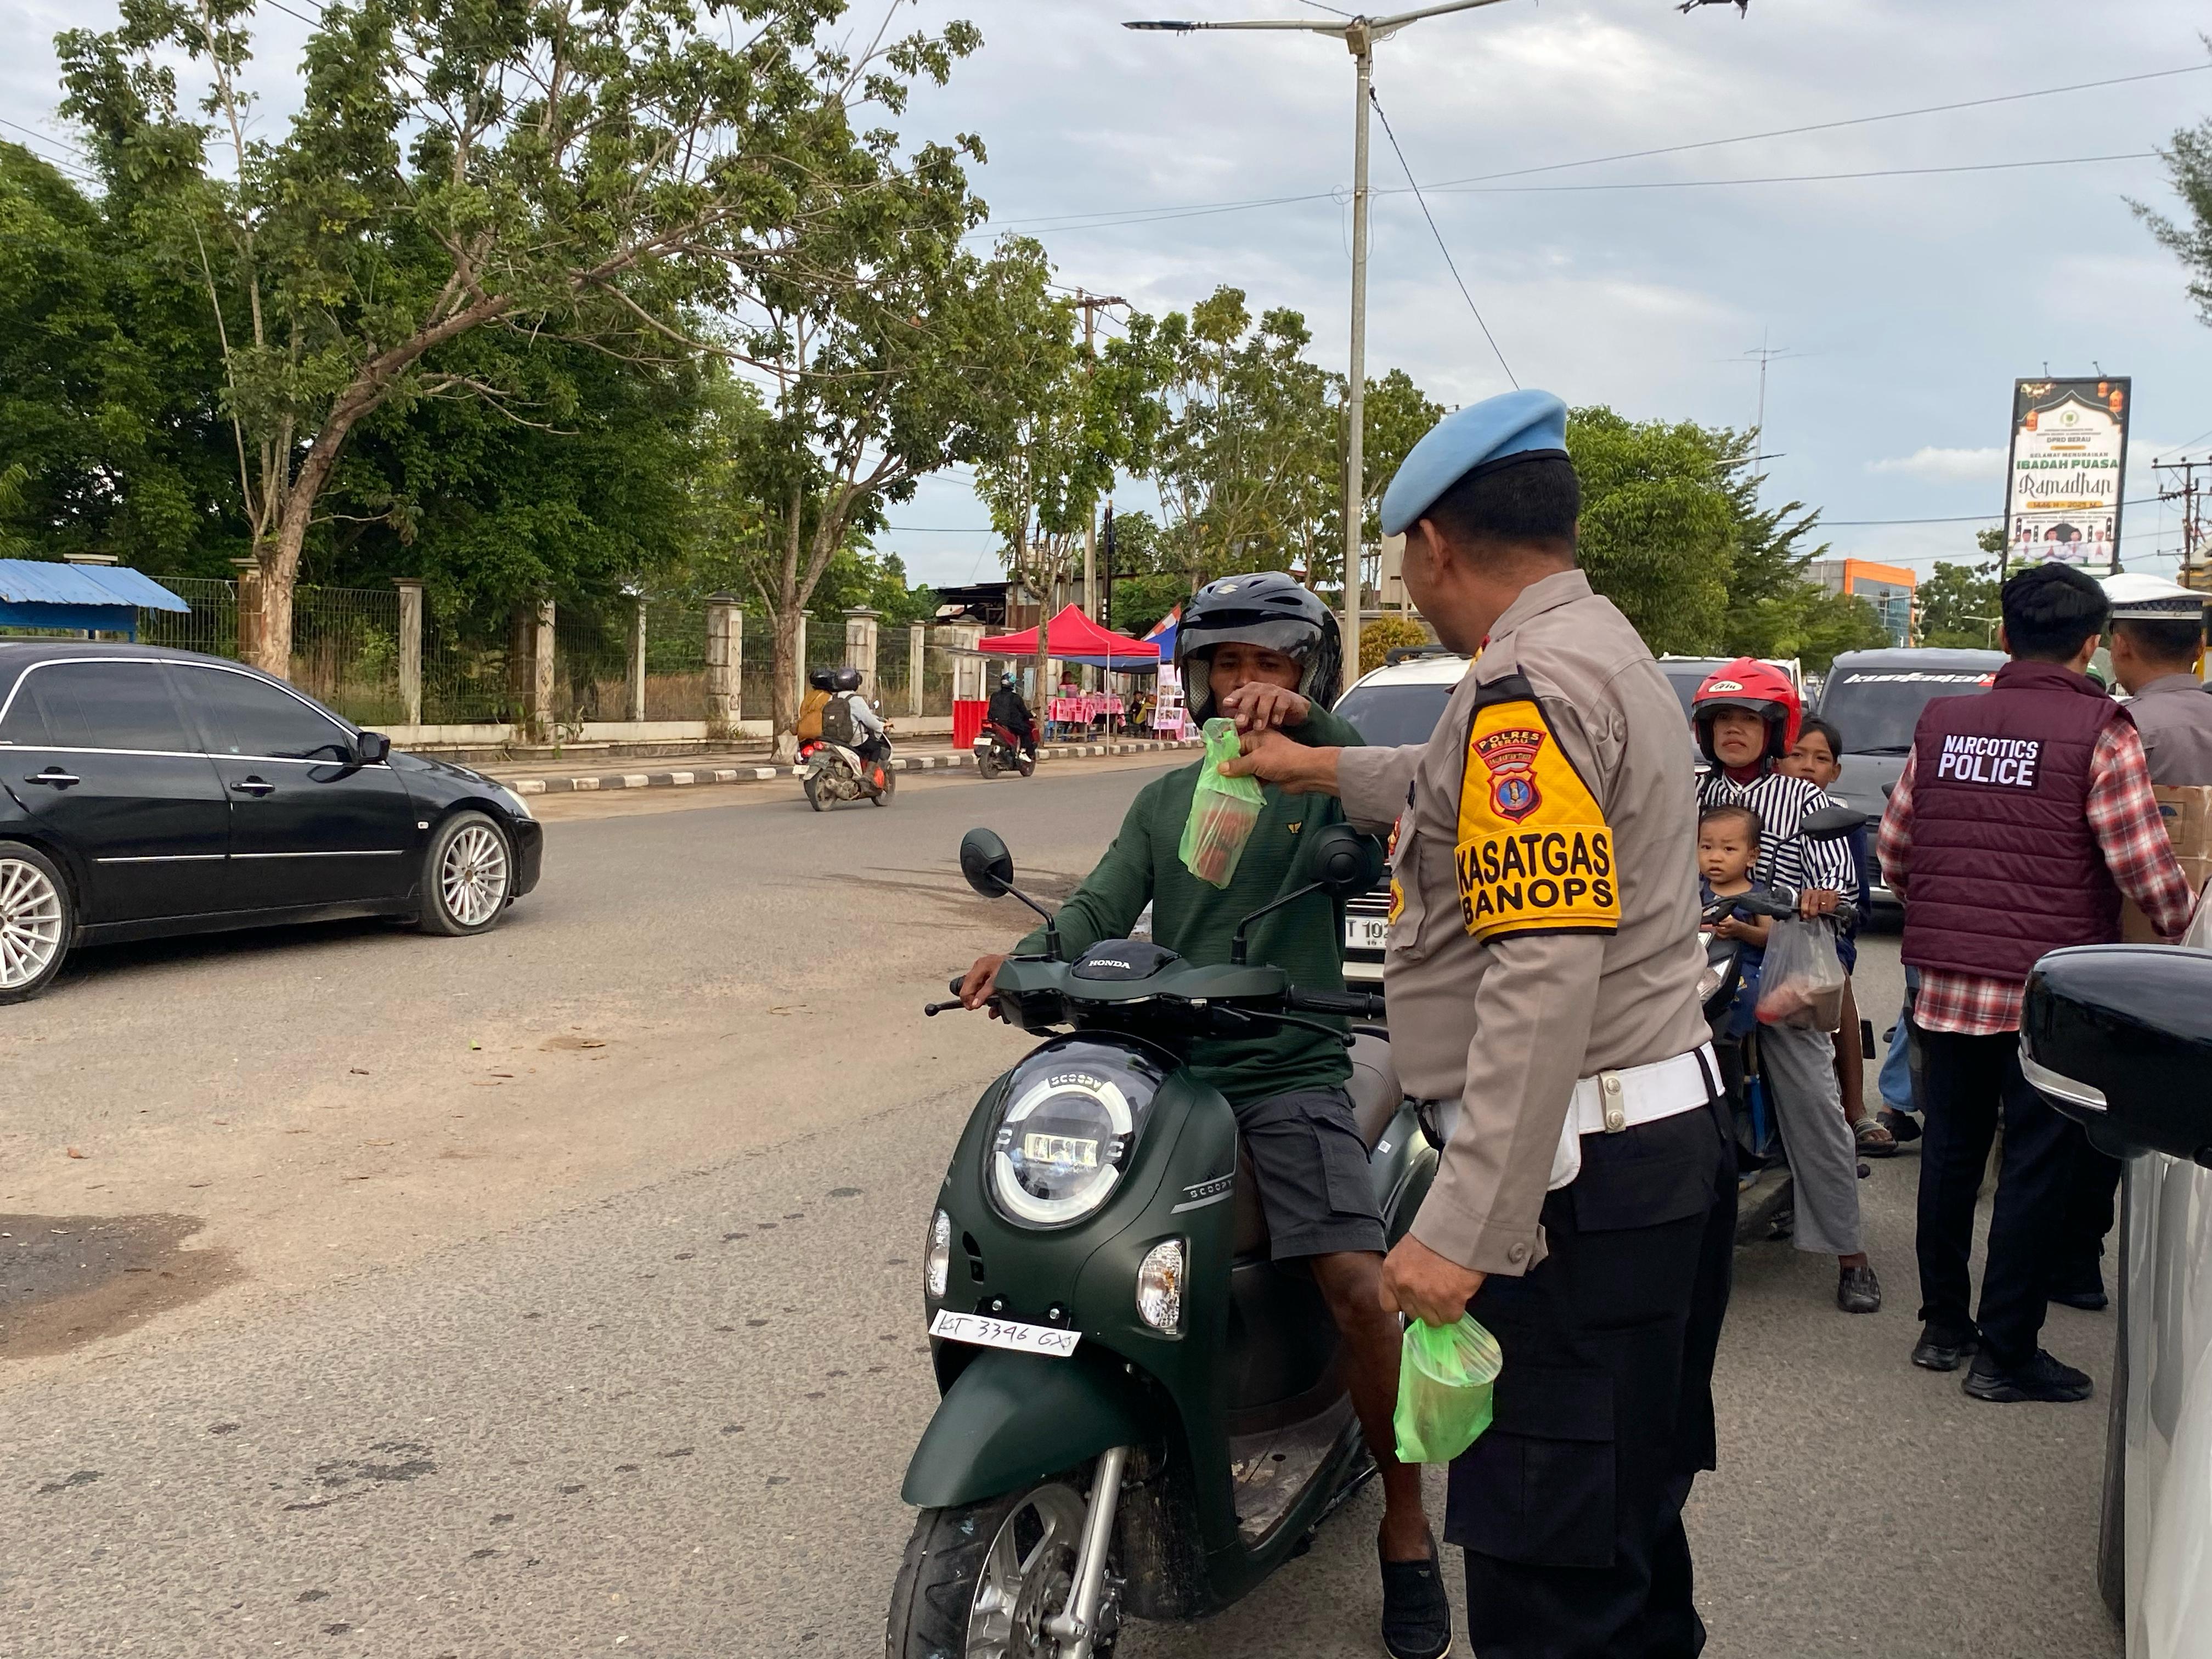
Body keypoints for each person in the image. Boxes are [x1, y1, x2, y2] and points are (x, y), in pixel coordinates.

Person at [1221, 390, 1734, 1659]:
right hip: (1656, 1156)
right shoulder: (1600, 648)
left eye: (1404, 558)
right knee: (1623, 1535)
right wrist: (1318, 766)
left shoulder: (1519, 685)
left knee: (1548, 1577)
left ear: (1436, 545)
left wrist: (1465, 1228)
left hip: (1577, 1188)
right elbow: (1457, 791)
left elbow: (1542, 965)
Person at [955, 574, 1451, 1659]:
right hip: (1169, 1068)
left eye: (1269, 666)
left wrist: (1311, 731)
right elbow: (1099, 904)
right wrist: (1024, 957)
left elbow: (1377, 811)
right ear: (1195, 683)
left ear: (1305, 678)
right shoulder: (1168, 799)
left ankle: (1407, 1525)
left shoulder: (1323, 784)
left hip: (1289, 1071)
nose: (1245, 686)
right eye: (1227, 665)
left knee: (1357, 1287)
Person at [1878, 563, 2194, 1401]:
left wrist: (1946, 915)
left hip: (1946, 984)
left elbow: (1895, 851)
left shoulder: (1944, 723)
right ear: (2092, 644)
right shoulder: (2103, 730)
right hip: (2048, 995)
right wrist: (2181, 935)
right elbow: (2142, 867)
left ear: (2004, 635)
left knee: (1949, 1154)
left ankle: (1943, 1327)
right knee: (2035, 1165)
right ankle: (2005, 1353)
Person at [1692, 662, 1882, 1315]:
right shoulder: (1685, 793)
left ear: (1775, 730)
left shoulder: (1805, 800)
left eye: (1747, 720)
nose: (1733, 731)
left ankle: (1850, 1254)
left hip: (1781, 960)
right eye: (1722, 720)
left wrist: (1822, 899)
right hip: (1696, 958)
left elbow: (1841, 886)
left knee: (1812, 1098)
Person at [2047, 575, 2212, 1306]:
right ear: (2199, 649)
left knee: (2103, 1115)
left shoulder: (2121, 729)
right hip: (2200, 948)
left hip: (2128, 955)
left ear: (2120, 647)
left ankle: (2079, 1261)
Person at [1778, 716, 1895, 1158]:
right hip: (1757, 925)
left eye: (1820, 758)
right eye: (1797, 755)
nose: (1808, 765)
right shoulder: (1756, 805)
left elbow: (1855, 901)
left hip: (1823, 931)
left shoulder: (1842, 822)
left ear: (1836, 771)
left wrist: (1826, 906)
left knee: (1835, 981)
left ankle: (1855, 1108)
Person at [986, 670, 1038, 761]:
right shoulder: (1016, 698)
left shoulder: (994, 695)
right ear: (1012, 684)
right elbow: (1024, 712)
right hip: (1010, 724)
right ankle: (1023, 751)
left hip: (994, 722)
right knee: (1027, 730)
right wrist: (1031, 715)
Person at [796, 668, 835, 744]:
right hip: (819, 735)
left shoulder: (809, 695)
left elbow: (802, 712)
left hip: (802, 734)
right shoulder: (829, 698)